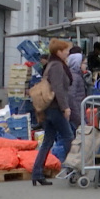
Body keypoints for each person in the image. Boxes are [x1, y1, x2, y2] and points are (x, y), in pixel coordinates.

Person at [31, 39, 74, 186]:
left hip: (49, 109)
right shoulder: (57, 66)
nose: (68, 53)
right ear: (59, 52)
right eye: (66, 50)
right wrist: (65, 107)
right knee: (69, 137)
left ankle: (37, 172)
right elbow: (58, 88)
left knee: (48, 141)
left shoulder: (50, 64)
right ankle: (73, 169)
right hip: (55, 108)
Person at [66, 47, 86, 131]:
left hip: (77, 113)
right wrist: (78, 118)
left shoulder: (76, 75)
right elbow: (71, 96)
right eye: (84, 63)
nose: (86, 66)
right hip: (76, 114)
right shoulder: (74, 77)